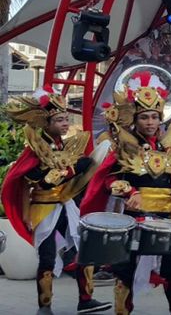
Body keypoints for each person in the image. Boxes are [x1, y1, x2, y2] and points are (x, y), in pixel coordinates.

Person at [80, 71, 171, 315]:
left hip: (167, 219)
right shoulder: (124, 145)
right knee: (125, 271)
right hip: (134, 218)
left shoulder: (169, 146)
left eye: (154, 117)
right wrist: (128, 191)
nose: (150, 122)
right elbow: (107, 178)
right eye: (145, 117)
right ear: (136, 118)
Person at [1, 87, 111, 315]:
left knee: (84, 250)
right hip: (43, 208)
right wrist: (68, 171)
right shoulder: (34, 148)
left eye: (66, 119)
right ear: (46, 123)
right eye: (59, 120)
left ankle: (86, 299)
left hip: (66, 204)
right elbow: (32, 179)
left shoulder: (63, 145)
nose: (65, 124)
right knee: (48, 257)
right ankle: (45, 306)